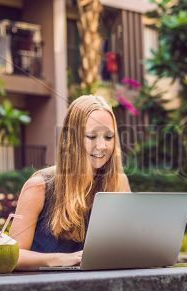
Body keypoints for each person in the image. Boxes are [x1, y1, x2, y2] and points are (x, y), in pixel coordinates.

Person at [9, 95, 131, 270]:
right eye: (91, 136)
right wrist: (61, 259)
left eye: (108, 137)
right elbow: (13, 255)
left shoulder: (119, 183)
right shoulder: (39, 186)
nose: (102, 146)